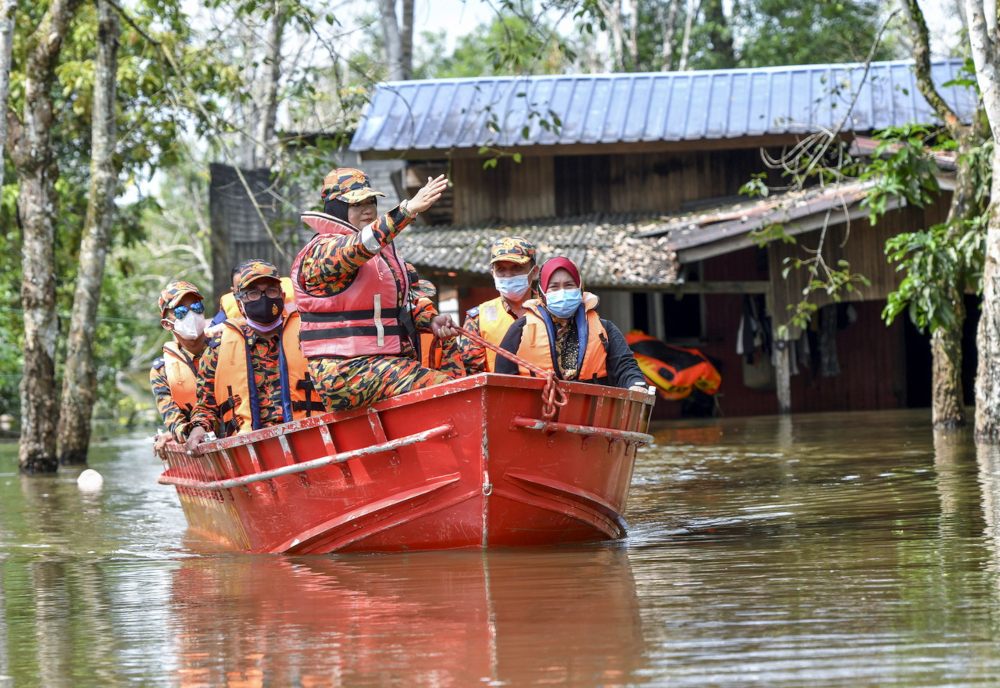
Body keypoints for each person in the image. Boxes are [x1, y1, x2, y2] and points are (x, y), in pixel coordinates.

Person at [290, 167, 454, 411]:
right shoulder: (321, 252)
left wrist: (431, 320)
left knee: (457, 384)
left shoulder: (386, 256)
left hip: (384, 365)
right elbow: (357, 247)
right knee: (448, 390)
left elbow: (405, 303)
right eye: (357, 204)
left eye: (371, 201)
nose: (368, 209)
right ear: (337, 208)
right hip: (344, 371)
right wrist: (407, 210)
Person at [186, 260, 324, 453]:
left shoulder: (310, 337)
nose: (263, 298)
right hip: (249, 448)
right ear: (240, 300)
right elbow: (206, 408)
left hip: (312, 437)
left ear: (282, 296)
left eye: (271, 291)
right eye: (253, 293)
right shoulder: (217, 350)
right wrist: (199, 428)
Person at [495, 257, 649, 392]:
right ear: (542, 292)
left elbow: (625, 366)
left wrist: (636, 385)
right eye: (554, 287)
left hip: (591, 412)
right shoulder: (520, 329)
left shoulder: (605, 329)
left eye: (569, 285)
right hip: (537, 412)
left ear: (580, 288)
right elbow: (502, 378)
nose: (562, 292)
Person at [433, 236, 541, 374]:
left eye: (517, 267)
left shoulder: (551, 312)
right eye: (501, 269)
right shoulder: (478, 318)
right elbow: (471, 373)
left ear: (535, 271)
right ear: (493, 274)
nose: (508, 275)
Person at [150, 281, 209, 455]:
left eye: (196, 307)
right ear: (167, 324)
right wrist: (184, 434)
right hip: (199, 441)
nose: (191, 314)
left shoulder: (225, 349)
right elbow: (172, 418)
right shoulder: (161, 370)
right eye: (181, 311)